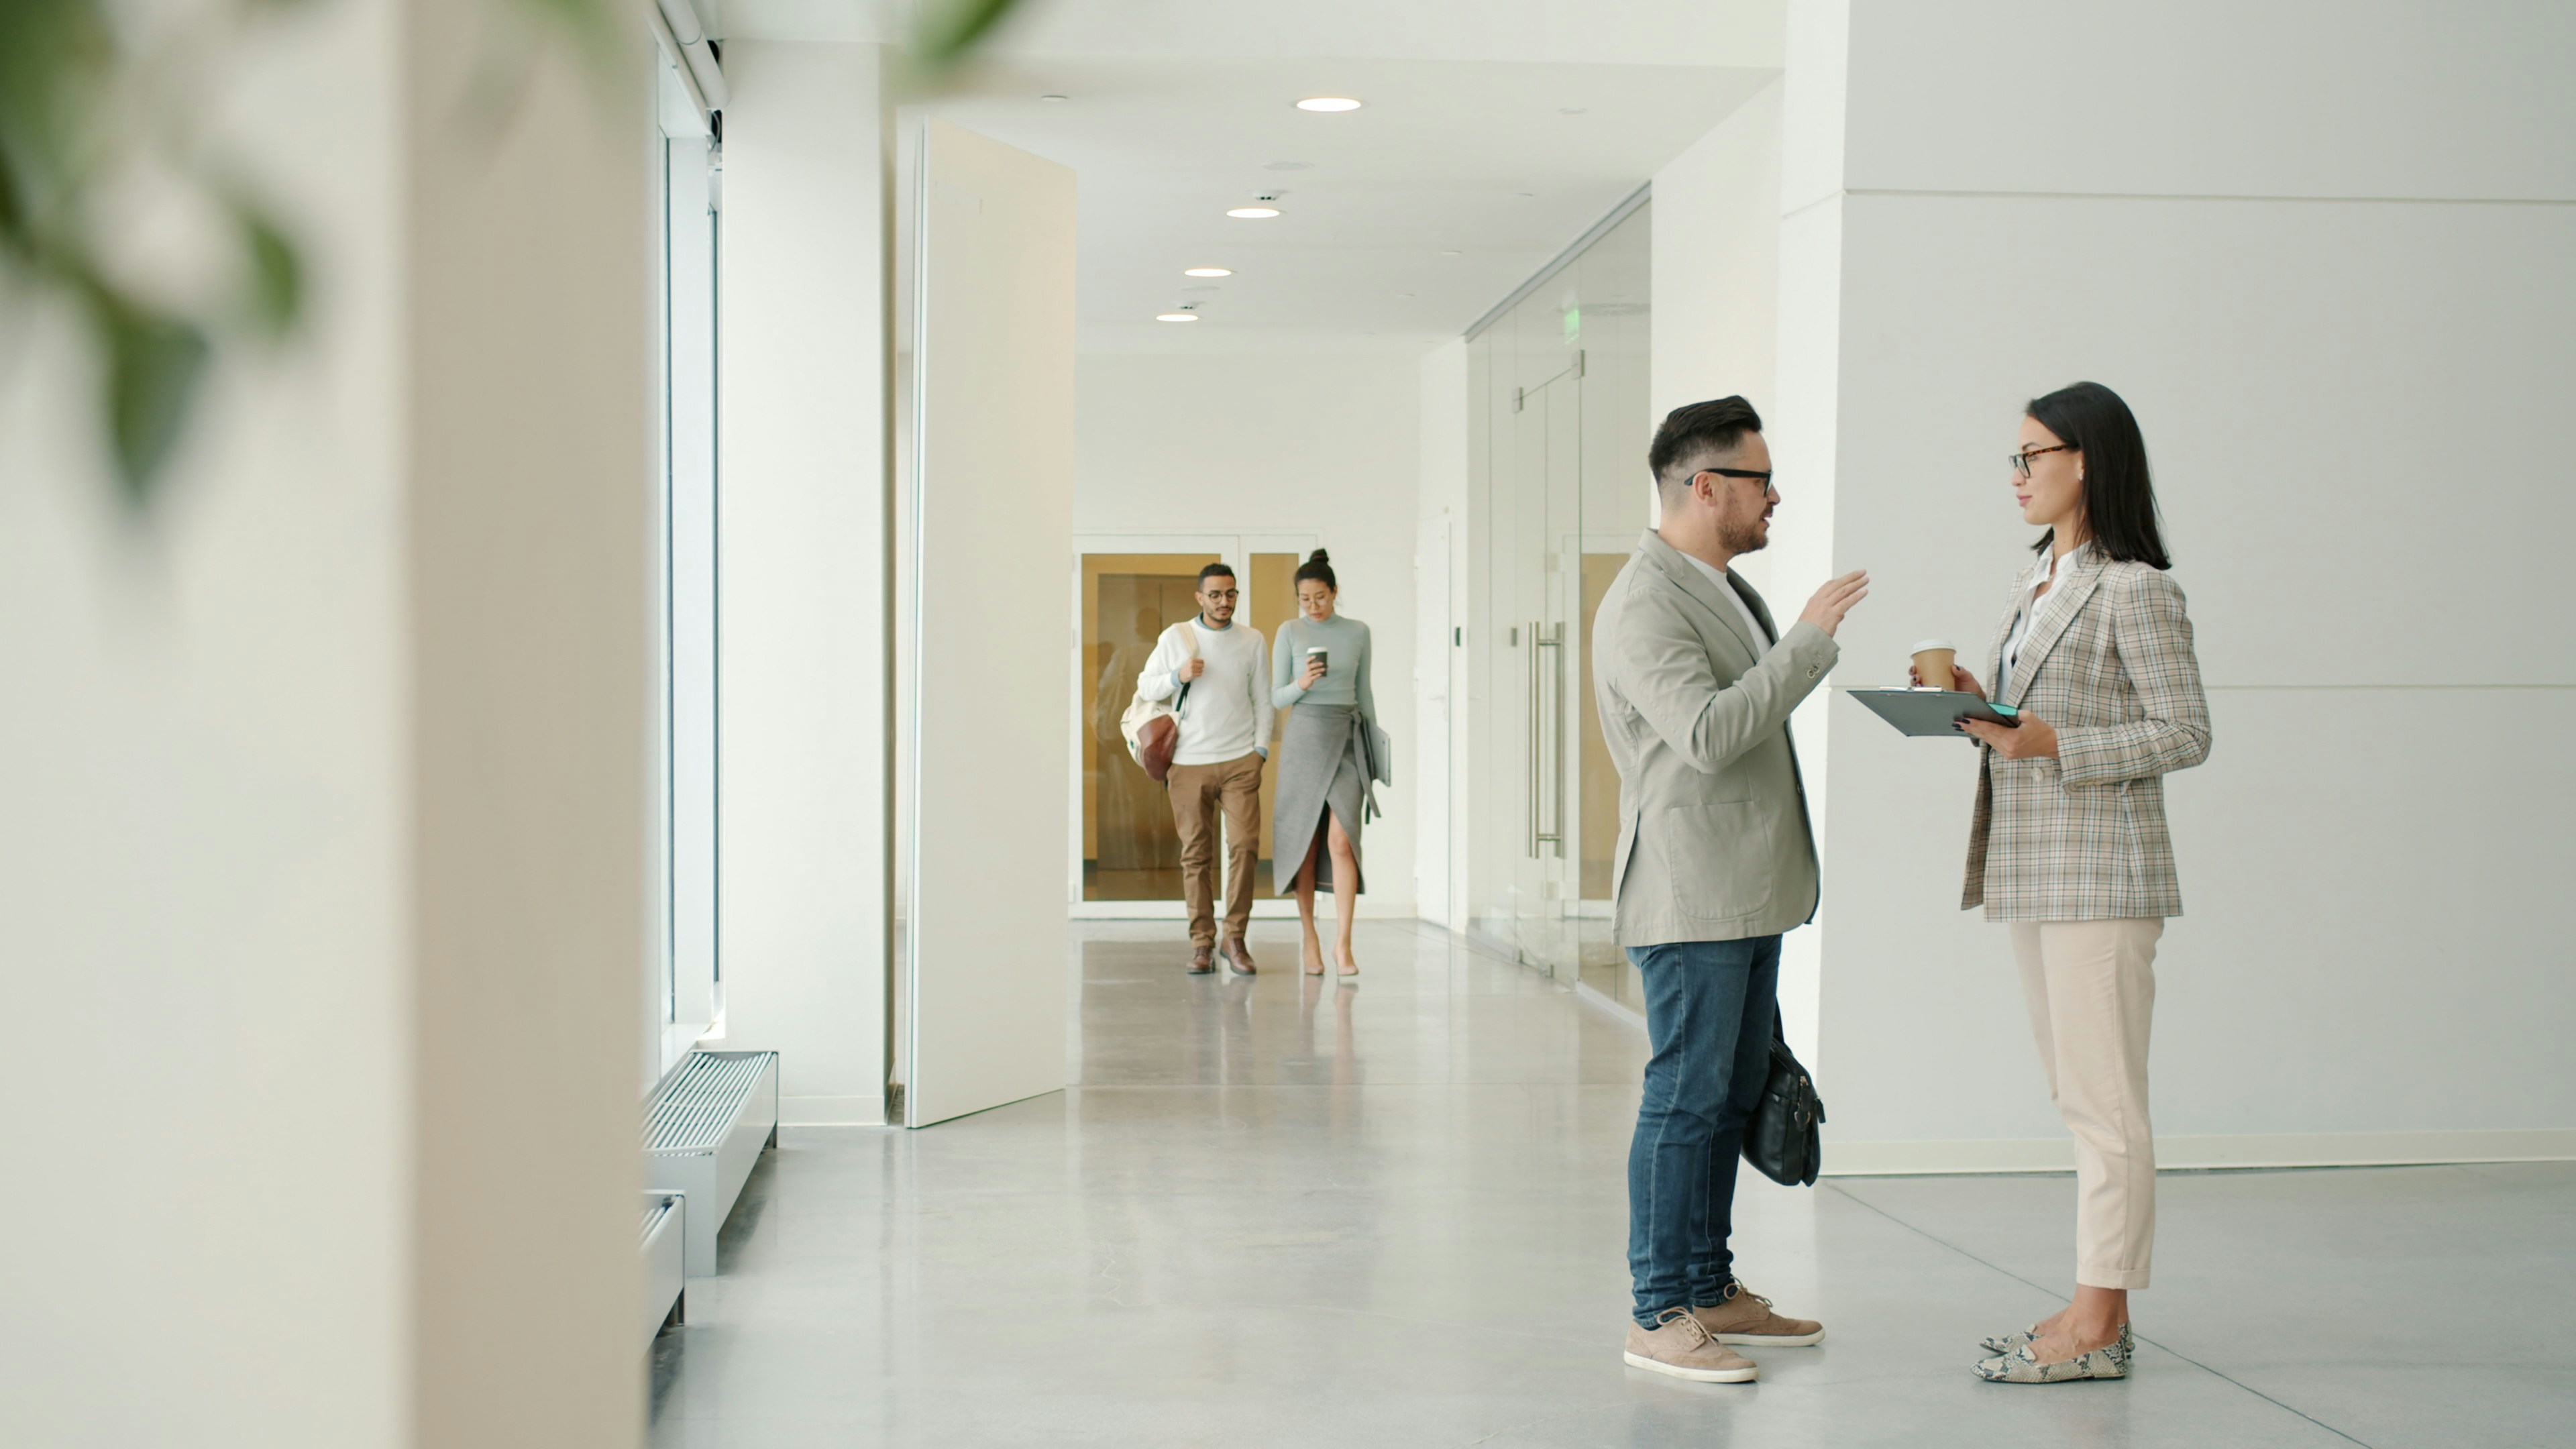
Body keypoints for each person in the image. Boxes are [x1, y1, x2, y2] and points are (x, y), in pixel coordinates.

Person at [1923, 382, 2210, 1384]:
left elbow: (2187, 734)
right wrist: (1978, 705)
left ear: (2085, 459)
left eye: (2030, 456)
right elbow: (2035, 716)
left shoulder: (2134, 587)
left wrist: (2057, 741)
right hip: (2034, 864)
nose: (2016, 475)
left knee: (2105, 1102)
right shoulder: (2040, 580)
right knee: (2075, 1092)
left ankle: (2098, 1321)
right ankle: (2100, 1305)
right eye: (2012, 459)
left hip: (2102, 870)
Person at [1592, 396, 1868, 1384]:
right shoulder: (1644, 602)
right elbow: (1707, 734)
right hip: (1693, 895)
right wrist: (1806, 644)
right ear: (1705, 488)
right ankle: (1658, 1310)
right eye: (1759, 480)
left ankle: (1708, 1287)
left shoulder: (1716, 587)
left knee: (1724, 1097)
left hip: (1744, 893)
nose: (1775, 495)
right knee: (1685, 1098)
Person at [1135, 563, 1274, 975]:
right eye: (1214, 594)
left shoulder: (1252, 640)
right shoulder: (1176, 637)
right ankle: (1201, 943)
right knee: (1196, 855)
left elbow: (1263, 699)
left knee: (1245, 847)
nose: (1223, 601)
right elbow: (1145, 687)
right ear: (1200, 598)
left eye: (1230, 593)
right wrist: (1177, 676)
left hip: (1239, 762)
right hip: (1188, 763)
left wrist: (1260, 752)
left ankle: (1235, 939)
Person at [1269, 549, 1379, 978]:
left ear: (1335, 592)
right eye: (1305, 599)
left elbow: (1364, 692)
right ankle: (1310, 938)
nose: (1313, 606)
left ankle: (1344, 943)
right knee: (1305, 844)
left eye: (1320, 597)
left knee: (1343, 840)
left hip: (1348, 737)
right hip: (1305, 738)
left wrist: (1373, 747)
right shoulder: (1289, 631)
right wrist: (1302, 682)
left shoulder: (1358, 632)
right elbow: (1276, 697)